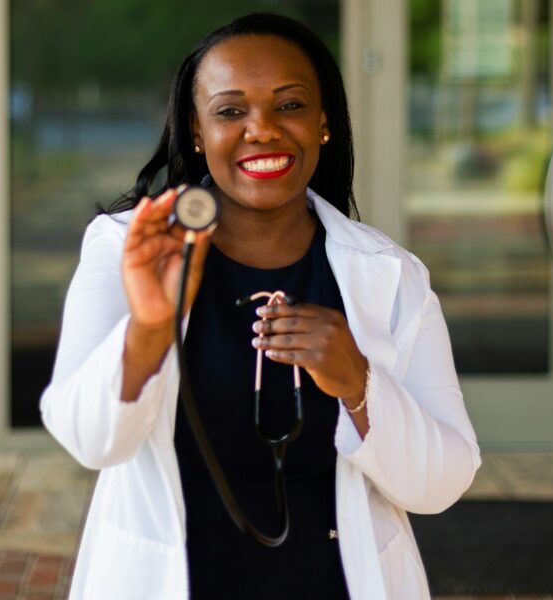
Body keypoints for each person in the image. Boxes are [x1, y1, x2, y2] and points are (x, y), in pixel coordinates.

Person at [41, 12, 480, 600]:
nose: (263, 129)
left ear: (323, 122)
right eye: (230, 111)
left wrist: (359, 382)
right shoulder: (126, 249)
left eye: (290, 106)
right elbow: (89, 439)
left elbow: (442, 482)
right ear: (196, 131)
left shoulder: (391, 275)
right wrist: (148, 328)